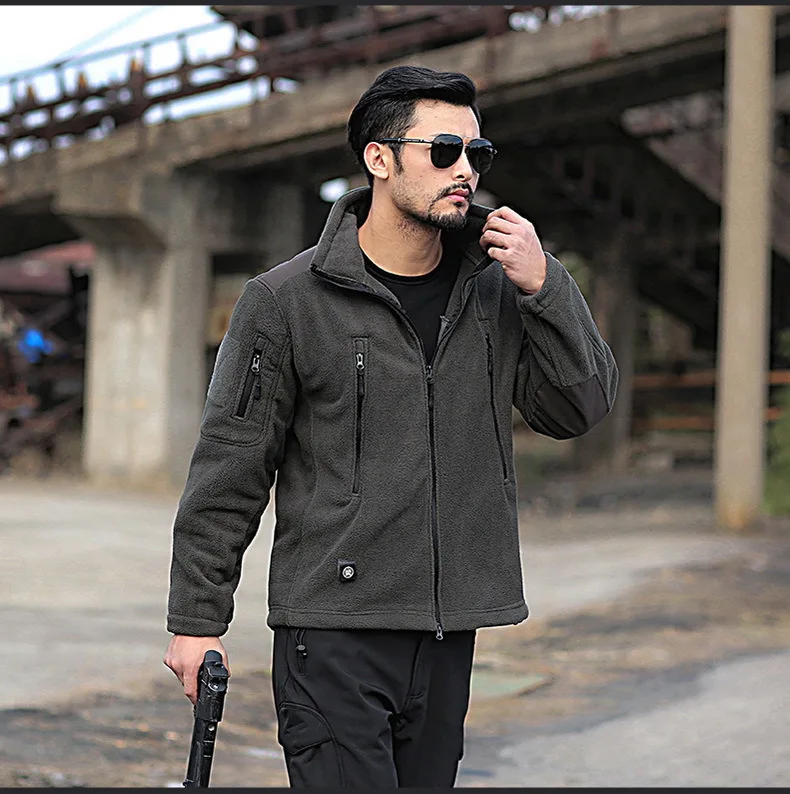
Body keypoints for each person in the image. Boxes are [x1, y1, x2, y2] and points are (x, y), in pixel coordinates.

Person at [164, 64, 618, 788]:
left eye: (477, 153)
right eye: (444, 151)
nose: (465, 170)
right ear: (380, 158)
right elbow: (231, 464)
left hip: (446, 632)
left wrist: (547, 287)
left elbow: (577, 409)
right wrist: (197, 619)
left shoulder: (498, 289)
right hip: (332, 632)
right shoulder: (286, 302)